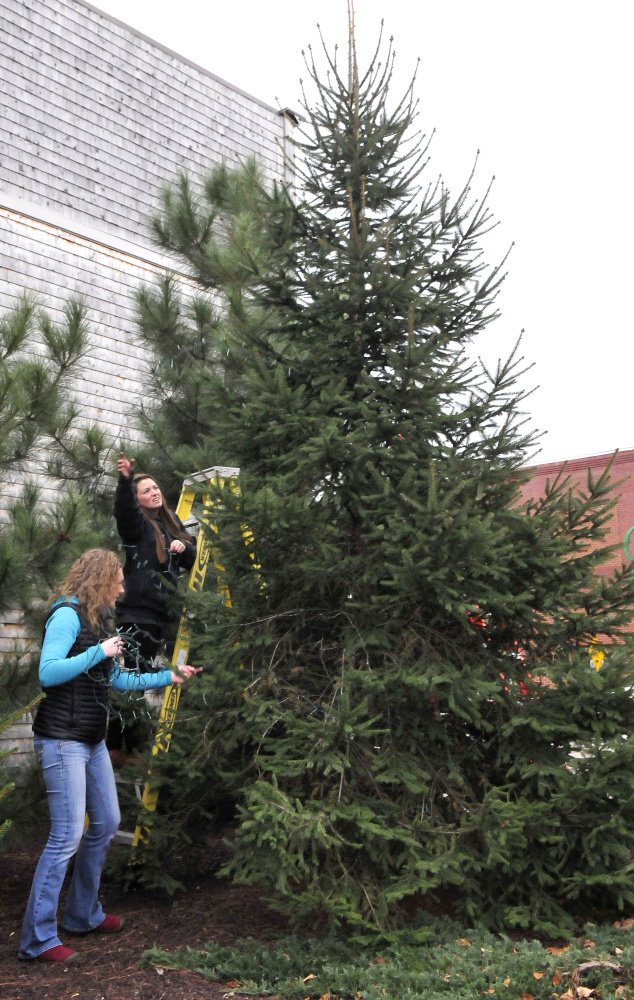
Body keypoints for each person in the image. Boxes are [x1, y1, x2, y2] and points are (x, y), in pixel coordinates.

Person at [18, 549, 200, 964]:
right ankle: (37, 939)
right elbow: (48, 673)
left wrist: (168, 676)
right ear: (100, 579)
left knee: (107, 823)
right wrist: (98, 651)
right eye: (118, 580)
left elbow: (116, 678)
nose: (122, 587)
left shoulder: (101, 620)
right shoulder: (66, 615)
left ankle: (82, 915)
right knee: (66, 836)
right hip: (62, 738)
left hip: (91, 738)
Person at [114, 453, 197, 676]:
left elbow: (193, 557)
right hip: (138, 616)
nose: (154, 493)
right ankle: (134, 710)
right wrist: (124, 481)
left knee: (176, 669)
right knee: (137, 677)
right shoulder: (136, 526)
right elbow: (124, 510)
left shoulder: (170, 520)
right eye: (146, 491)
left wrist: (183, 546)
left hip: (166, 613)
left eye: (155, 488)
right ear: (137, 499)